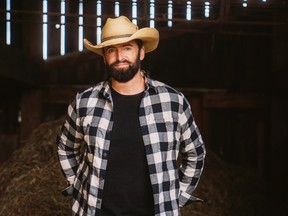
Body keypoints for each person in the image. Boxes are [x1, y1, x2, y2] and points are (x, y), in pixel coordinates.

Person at [57, 15, 206, 216]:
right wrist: (79, 186)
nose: (120, 57)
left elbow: (195, 152)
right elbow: (65, 147)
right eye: (112, 50)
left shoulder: (173, 101)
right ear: (104, 57)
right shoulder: (84, 102)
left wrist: (175, 197)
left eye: (127, 48)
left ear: (141, 52)